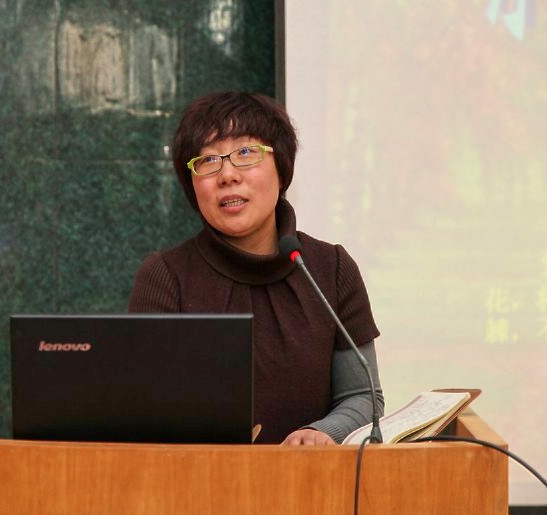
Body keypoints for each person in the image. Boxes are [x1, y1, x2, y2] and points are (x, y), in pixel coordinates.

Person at [128, 91, 383, 445]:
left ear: (282, 168)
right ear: (192, 185)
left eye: (246, 153)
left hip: (311, 476)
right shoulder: (165, 278)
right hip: (201, 477)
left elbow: (363, 397)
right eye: (208, 160)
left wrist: (320, 434)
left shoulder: (332, 268)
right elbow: (145, 407)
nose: (227, 174)